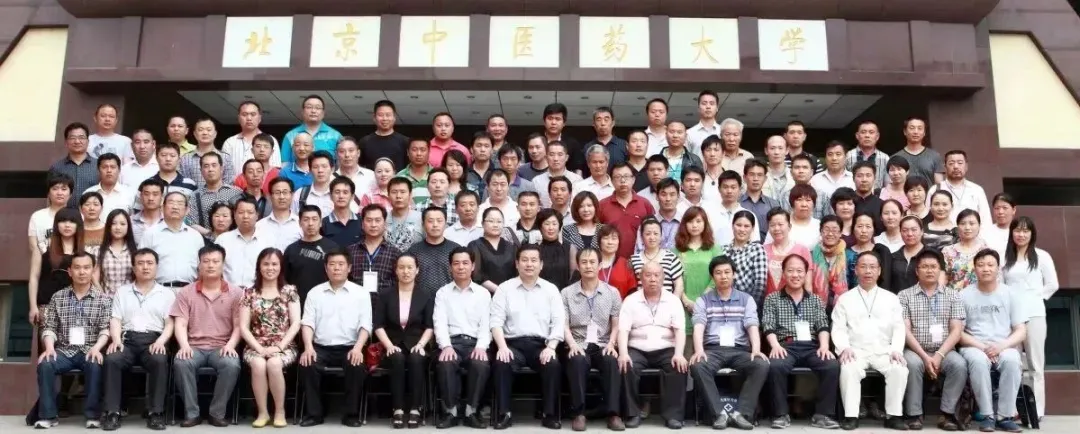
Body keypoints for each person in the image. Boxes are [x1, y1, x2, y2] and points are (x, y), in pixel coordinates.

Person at [761, 254, 841, 429]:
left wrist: (824, 346)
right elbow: (768, 324)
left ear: (805, 274)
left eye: (799, 271)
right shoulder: (772, 298)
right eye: (790, 271)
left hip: (811, 346)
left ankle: (822, 415)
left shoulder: (815, 299)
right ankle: (780, 414)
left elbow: (822, 324)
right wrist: (775, 346)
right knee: (775, 365)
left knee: (831, 365)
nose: (795, 275)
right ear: (783, 273)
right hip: (785, 345)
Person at [831, 252, 909, 430]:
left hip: (884, 351)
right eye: (863, 266)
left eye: (872, 267)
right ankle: (851, 416)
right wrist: (844, 348)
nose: (868, 271)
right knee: (848, 368)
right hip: (855, 351)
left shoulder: (891, 298)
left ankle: (894, 416)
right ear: (856, 270)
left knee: (899, 369)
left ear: (879, 271)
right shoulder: (845, 299)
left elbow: (899, 327)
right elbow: (839, 328)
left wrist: (896, 349)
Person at [489, 245, 564, 430]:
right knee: (502, 362)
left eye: (533, 260)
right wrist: (502, 347)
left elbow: (558, 322)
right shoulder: (505, 289)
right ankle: (504, 413)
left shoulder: (551, 290)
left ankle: (549, 414)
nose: (529, 264)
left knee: (552, 364)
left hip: (541, 345)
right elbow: (495, 322)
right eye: (524, 260)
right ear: (517, 264)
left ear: (541, 264)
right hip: (512, 344)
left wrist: (551, 347)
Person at [689, 256, 767, 430]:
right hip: (713, 350)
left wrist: (756, 349)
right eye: (718, 273)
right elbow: (699, 326)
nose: (723, 276)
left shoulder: (746, 299)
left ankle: (741, 413)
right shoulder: (703, 300)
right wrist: (699, 350)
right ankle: (719, 414)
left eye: (727, 272)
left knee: (761, 365)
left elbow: (752, 325)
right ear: (712, 276)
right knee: (698, 366)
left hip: (740, 350)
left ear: (734, 274)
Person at [34, 252, 111, 429]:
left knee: (95, 364)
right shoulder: (58, 297)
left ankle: (93, 415)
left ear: (93, 270)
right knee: (45, 364)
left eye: (86, 268)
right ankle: (48, 416)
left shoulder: (103, 300)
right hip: (64, 350)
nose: (82, 272)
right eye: (77, 268)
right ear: (70, 271)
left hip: (90, 349)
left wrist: (97, 348)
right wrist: (49, 348)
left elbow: (105, 329)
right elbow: (50, 327)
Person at [170, 244, 243, 427]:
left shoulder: (236, 293)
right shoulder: (186, 292)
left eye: (215, 261)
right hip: (194, 346)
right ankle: (192, 413)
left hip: (222, 346)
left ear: (223, 265)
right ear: (199, 264)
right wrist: (184, 346)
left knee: (231, 364)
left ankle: (216, 413)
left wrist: (230, 345)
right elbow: (180, 323)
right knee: (182, 362)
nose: (210, 265)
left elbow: (239, 326)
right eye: (206, 261)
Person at [101, 248, 174, 431]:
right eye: (140, 263)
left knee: (159, 360)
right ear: (133, 268)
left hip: (153, 340)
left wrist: (161, 342)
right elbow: (116, 319)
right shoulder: (122, 292)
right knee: (112, 359)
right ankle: (112, 412)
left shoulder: (166, 294)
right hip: (127, 340)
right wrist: (116, 340)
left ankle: (156, 413)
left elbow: (170, 324)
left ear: (156, 267)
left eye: (149, 263)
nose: (145, 267)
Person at [298, 250, 372, 427]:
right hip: (320, 347)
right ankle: (314, 414)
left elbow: (366, 324)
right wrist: (308, 347)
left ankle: (351, 414)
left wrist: (358, 348)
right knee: (307, 362)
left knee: (356, 365)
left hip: (350, 346)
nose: (336, 268)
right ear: (326, 268)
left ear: (349, 268)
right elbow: (307, 323)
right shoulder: (315, 293)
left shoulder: (361, 293)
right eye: (332, 264)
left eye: (340, 264)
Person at [958, 249, 1028, 433]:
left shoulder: (1010, 293)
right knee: (978, 361)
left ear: (998, 268)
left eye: (990, 265)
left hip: (1003, 345)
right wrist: (984, 348)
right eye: (981, 265)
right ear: (974, 269)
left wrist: (1001, 347)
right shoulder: (963, 295)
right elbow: (958, 333)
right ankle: (987, 415)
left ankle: (1005, 416)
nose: (986, 269)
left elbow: (1021, 331)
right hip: (974, 345)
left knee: (1012, 360)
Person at [897, 249, 967, 431]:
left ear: (940, 270)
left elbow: (956, 330)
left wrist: (938, 355)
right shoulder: (904, 296)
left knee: (959, 365)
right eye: (925, 267)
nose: (929, 270)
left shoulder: (953, 295)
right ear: (917, 271)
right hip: (914, 350)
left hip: (944, 350)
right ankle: (914, 414)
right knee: (912, 364)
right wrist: (925, 357)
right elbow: (904, 330)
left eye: (933, 267)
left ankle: (947, 414)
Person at [618, 262, 688, 429]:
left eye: (657, 275)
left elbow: (680, 330)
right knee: (626, 365)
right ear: (641, 278)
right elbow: (623, 330)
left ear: (663, 278)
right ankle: (632, 413)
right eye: (648, 275)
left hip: (665, 347)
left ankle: (673, 416)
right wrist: (623, 353)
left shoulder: (673, 301)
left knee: (678, 366)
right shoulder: (631, 300)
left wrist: (679, 353)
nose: (653, 279)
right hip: (637, 348)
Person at [561, 248, 625, 431]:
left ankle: (613, 414)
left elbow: (616, 324)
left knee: (611, 361)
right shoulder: (566, 293)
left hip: (603, 343)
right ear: (577, 266)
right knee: (577, 360)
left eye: (592, 262)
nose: (588, 266)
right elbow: (563, 324)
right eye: (584, 262)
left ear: (600, 265)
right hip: (578, 342)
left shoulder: (612, 292)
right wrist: (572, 344)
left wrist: (612, 343)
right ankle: (579, 413)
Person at [1001, 216, 1057, 420]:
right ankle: (1012, 409)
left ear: (1032, 234)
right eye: (1017, 230)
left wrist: (1035, 297)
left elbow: (1052, 284)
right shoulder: (1005, 257)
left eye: (1026, 231)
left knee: (1035, 364)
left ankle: (1037, 410)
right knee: (1012, 363)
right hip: (1011, 317)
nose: (1021, 234)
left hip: (1034, 314)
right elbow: (1001, 286)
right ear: (1012, 233)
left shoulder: (1042, 256)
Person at [239, 248, 301, 428]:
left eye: (274, 264)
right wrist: (259, 349)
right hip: (255, 346)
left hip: (284, 346)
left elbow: (296, 323)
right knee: (258, 364)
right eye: (266, 264)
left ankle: (280, 411)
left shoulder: (290, 291)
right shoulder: (248, 293)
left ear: (281, 267)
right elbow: (243, 327)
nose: (270, 268)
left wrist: (280, 347)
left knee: (274, 363)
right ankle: (263, 412)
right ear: (259, 267)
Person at [373, 254, 435, 428]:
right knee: (397, 358)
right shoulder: (385, 294)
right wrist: (389, 345)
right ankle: (397, 409)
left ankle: (416, 408)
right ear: (396, 270)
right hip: (391, 343)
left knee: (416, 359)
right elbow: (378, 325)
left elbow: (430, 326)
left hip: (418, 343)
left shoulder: (425, 295)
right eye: (401, 267)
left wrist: (421, 345)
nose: (405, 271)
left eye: (409, 267)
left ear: (417, 270)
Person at [433, 247, 492, 429]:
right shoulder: (443, 293)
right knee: (446, 362)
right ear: (450, 267)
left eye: (465, 263)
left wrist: (481, 346)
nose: (461, 267)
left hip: (475, 343)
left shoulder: (483, 293)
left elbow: (486, 325)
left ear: (473, 266)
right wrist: (446, 346)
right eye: (456, 263)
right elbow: (439, 323)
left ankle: (470, 411)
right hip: (452, 343)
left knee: (480, 363)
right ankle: (450, 412)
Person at [29, 208, 83, 325]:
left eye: (72, 221)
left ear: (78, 225)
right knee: (47, 337)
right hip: (47, 305)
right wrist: (33, 306)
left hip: (77, 307)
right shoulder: (42, 247)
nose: (67, 225)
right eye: (62, 221)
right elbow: (34, 277)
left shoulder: (84, 251)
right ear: (56, 224)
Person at [469, 207, 518, 293]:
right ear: (482, 223)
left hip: (510, 293)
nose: (495, 225)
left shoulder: (511, 247)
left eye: (499, 221)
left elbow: (518, 272)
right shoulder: (474, 245)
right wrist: (500, 291)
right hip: (483, 294)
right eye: (491, 221)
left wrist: (508, 292)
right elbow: (477, 275)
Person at [96, 210, 136, 295]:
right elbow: (95, 279)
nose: (118, 227)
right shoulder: (98, 251)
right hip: (106, 298)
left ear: (128, 227)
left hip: (130, 299)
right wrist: (104, 297)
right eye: (114, 223)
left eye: (122, 224)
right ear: (108, 226)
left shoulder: (135, 251)